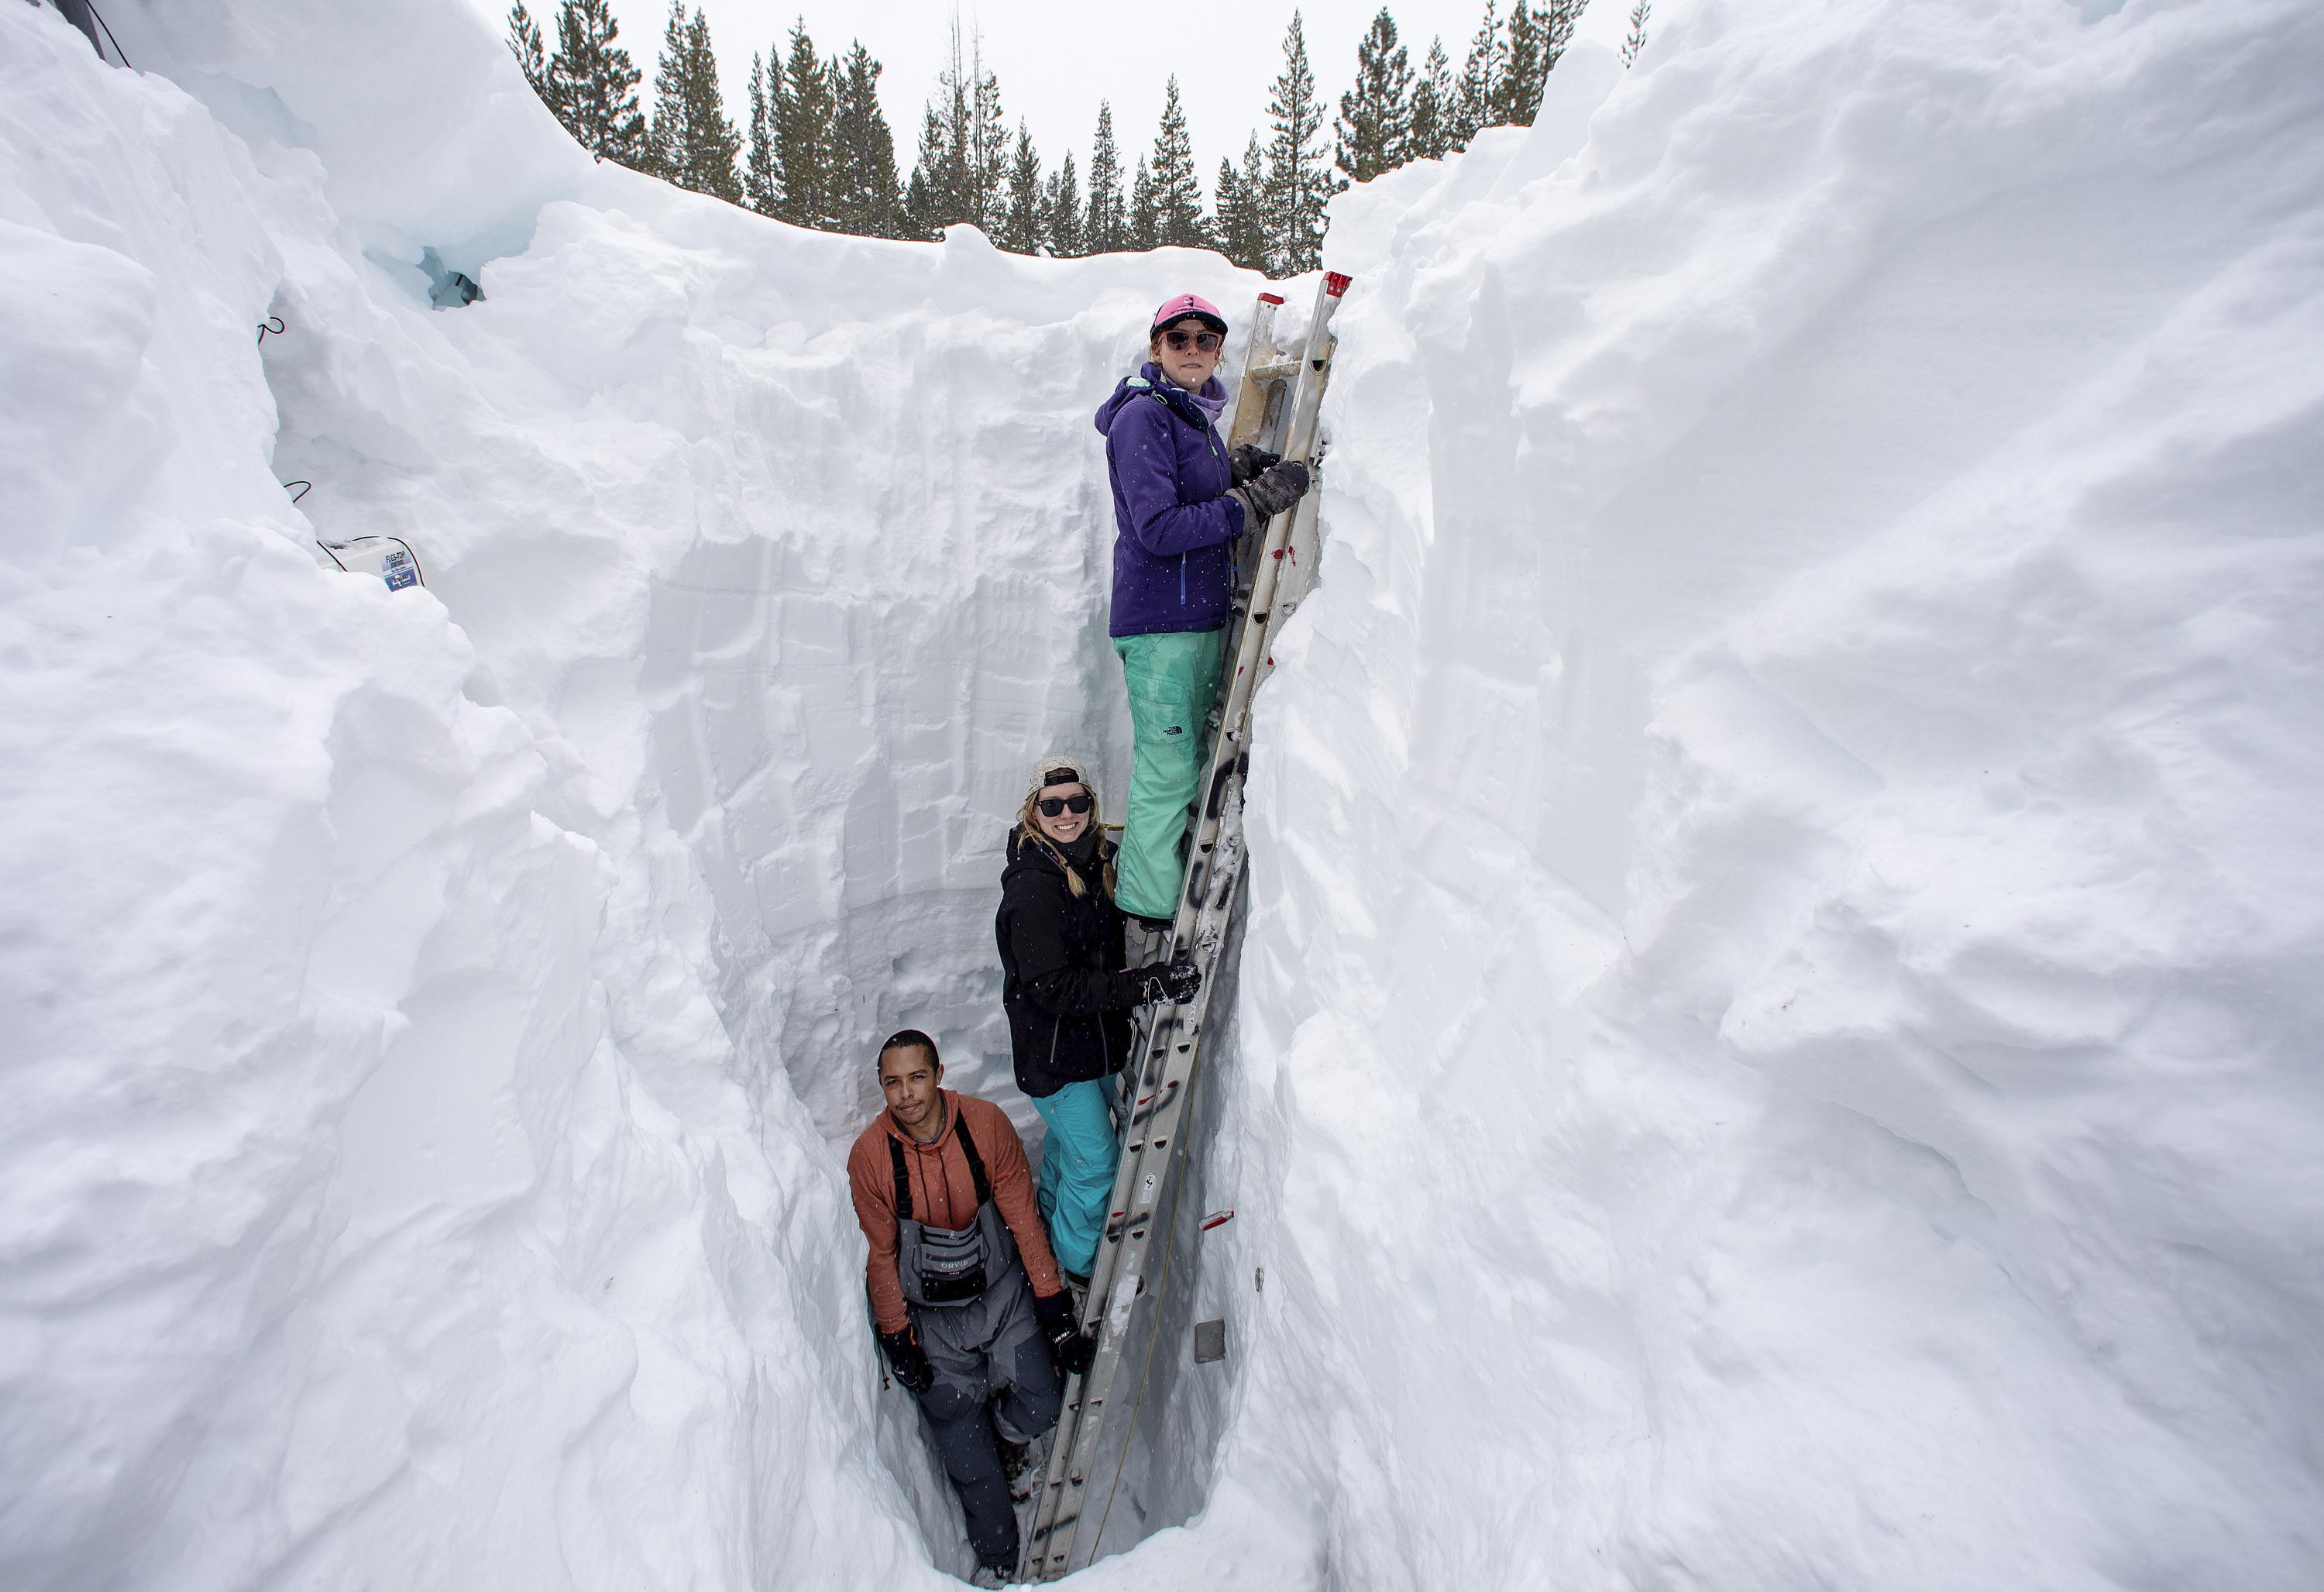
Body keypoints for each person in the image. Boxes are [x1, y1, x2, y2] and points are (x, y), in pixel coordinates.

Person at [1095, 292, 1313, 947]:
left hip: (1190, 622)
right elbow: (1159, 527)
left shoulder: (1188, 418)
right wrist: (1245, 505)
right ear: (1156, 347)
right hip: (1163, 626)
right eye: (1178, 338)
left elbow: (1184, 491)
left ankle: (1154, 895)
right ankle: (1148, 912)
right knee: (1166, 769)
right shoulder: (1144, 417)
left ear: (1219, 349)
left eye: (1206, 339)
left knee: (1181, 762)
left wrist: (1232, 470)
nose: (1193, 349)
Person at [847, 1030, 1096, 1586]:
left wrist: (1053, 1309)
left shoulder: (984, 1126)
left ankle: (1006, 1433)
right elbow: (881, 1254)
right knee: (966, 1459)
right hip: (933, 1319)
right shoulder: (871, 1157)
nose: (906, 1094)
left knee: (1046, 1402)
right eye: (892, 1082)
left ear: (938, 1073)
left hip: (1002, 1295)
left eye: (916, 1077)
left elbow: (1024, 1220)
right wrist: (897, 1336)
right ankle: (999, 1556)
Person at [996, 755, 1201, 1284]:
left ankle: (1047, 1225)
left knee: (1070, 1151)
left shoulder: (1095, 856)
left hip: (1090, 1047)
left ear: (1091, 803)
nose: (1067, 813)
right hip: (1057, 1061)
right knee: (1098, 1165)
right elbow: (1054, 987)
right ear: (1033, 810)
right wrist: (1144, 983)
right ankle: (1074, 1267)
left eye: (1077, 802)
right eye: (1052, 805)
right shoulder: (1033, 887)